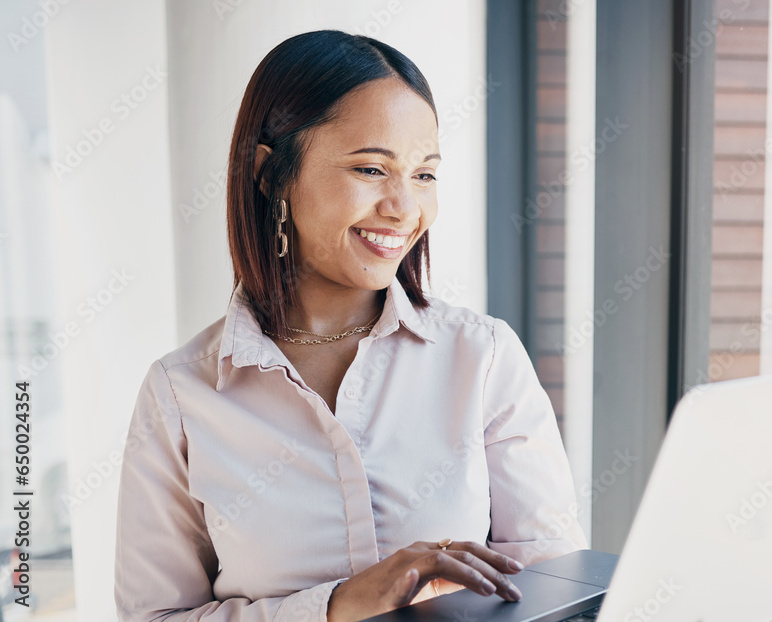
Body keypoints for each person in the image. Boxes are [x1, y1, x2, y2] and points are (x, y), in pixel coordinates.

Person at [114, 29, 587, 622]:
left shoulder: (483, 358)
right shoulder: (180, 395)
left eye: (424, 174)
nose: (404, 207)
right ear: (269, 174)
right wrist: (337, 606)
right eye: (370, 169)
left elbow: (556, 588)